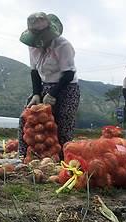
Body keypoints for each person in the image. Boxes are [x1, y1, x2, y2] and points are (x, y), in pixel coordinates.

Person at [19, 12, 80, 158]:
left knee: (63, 122)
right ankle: (25, 156)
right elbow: (34, 71)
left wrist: (53, 93)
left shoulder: (63, 45)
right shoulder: (32, 45)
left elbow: (69, 73)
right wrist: (36, 93)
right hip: (43, 85)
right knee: (26, 118)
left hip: (66, 87)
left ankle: (62, 160)